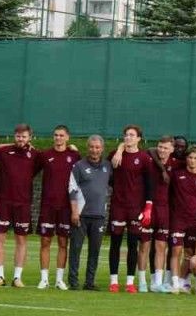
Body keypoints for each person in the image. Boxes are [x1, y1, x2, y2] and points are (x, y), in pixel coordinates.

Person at [0, 123, 39, 287]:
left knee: (21, 239)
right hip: (3, 202)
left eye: (24, 136)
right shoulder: (4, 151)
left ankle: (17, 277)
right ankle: (0, 276)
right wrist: (1, 145)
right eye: (18, 136)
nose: (21, 139)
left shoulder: (36, 155)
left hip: (23, 203)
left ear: (30, 138)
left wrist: (72, 148)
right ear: (14, 136)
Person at [107, 124, 154, 293]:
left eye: (132, 135)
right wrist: (119, 150)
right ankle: (113, 281)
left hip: (135, 208)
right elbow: (109, 178)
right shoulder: (114, 154)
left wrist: (148, 206)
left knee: (133, 244)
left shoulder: (144, 158)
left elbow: (149, 184)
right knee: (115, 243)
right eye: (126, 135)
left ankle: (129, 282)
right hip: (118, 206)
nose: (128, 137)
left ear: (139, 138)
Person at [36, 125, 78, 291]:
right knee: (45, 241)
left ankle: (59, 280)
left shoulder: (74, 156)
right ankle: (44, 279)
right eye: (56, 135)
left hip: (66, 207)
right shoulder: (45, 155)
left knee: (63, 242)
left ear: (67, 137)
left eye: (61, 135)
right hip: (47, 206)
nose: (58, 138)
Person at [68, 135, 112, 291]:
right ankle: (73, 281)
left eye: (97, 147)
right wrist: (74, 212)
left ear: (102, 149)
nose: (94, 150)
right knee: (76, 249)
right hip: (81, 215)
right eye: (92, 147)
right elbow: (72, 190)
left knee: (94, 251)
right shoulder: (78, 166)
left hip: (99, 215)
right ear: (88, 148)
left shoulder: (108, 166)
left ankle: (89, 282)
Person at [167, 148, 196, 294]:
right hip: (177, 219)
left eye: (195, 158)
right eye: (190, 157)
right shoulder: (177, 174)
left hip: (193, 221)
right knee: (176, 250)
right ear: (186, 159)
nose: (192, 160)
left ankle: (182, 281)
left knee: (189, 253)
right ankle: (174, 283)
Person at [141, 135, 175, 293]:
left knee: (161, 246)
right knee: (144, 246)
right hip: (147, 207)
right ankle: (142, 282)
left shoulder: (175, 163)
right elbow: (149, 149)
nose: (162, 150)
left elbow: (195, 162)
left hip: (164, 209)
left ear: (172, 149)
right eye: (160, 146)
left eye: (166, 148)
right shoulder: (149, 158)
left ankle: (157, 283)